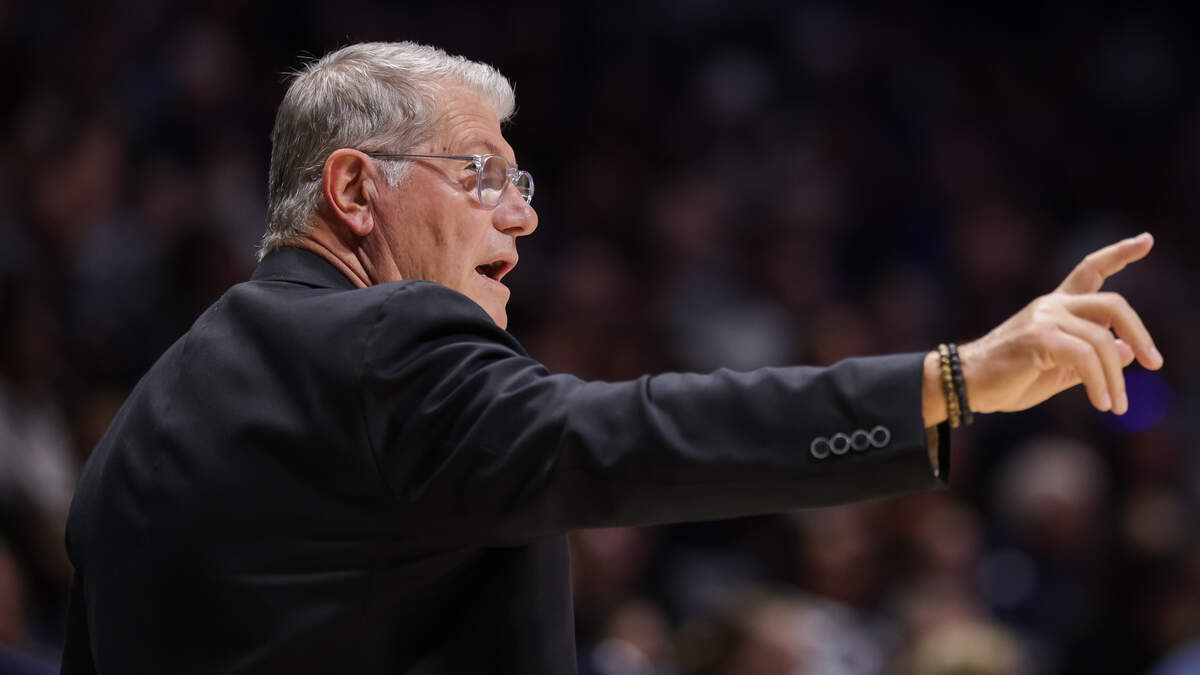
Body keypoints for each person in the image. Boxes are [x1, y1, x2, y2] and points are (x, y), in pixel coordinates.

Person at [60, 42, 1163, 674]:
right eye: (483, 176)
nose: (522, 216)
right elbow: (624, 434)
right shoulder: (382, 340)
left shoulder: (136, 436)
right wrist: (948, 381)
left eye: (522, 184)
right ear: (354, 190)